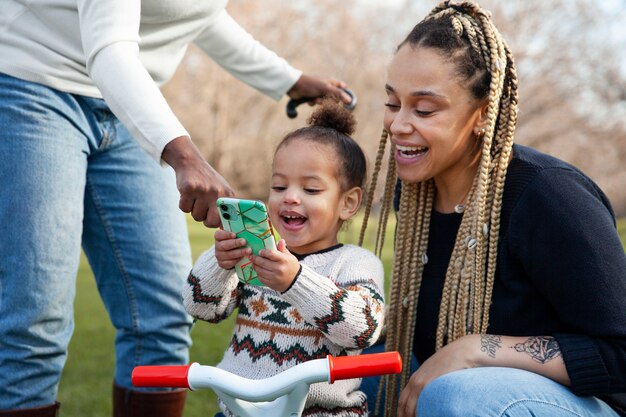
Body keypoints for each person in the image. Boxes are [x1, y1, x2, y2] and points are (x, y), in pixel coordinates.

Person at [0, 2, 353, 416]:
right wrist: (185, 157)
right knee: (35, 325)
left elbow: (200, 11)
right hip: (34, 83)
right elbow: (109, 48)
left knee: (165, 320)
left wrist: (288, 79)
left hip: (127, 100)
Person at [357, 1, 626, 417]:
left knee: (457, 396)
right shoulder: (416, 195)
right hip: (463, 388)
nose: (398, 124)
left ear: (482, 115)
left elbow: (620, 352)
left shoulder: (549, 197)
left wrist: (477, 350)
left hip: (586, 404)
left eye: (424, 109)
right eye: (393, 104)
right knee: (326, 377)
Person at [182, 100, 386, 417]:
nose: (290, 196)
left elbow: (363, 328)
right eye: (279, 185)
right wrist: (220, 263)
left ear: (347, 203)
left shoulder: (355, 263)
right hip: (240, 410)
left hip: (323, 413)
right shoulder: (257, 253)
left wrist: (295, 281)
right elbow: (200, 307)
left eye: (311, 189)